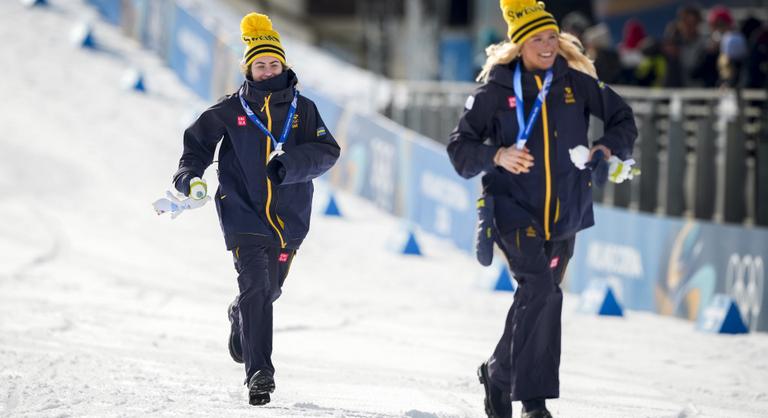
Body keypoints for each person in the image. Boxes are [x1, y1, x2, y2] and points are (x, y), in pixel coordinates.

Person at [446, 1, 637, 417]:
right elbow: (459, 150)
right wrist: (497, 155)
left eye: (552, 37)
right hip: (511, 209)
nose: (548, 45)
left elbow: (623, 118)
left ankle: (497, 374)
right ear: (519, 44)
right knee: (539, 288)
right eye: (537, 39)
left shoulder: (575, 83)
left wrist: (606, 147)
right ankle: (534, 402)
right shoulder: (494, 92)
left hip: (566, 212)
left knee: (539, 296)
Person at [169, 12, 340, 406]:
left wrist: (289, 165)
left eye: (273, 64)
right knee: (256, 287)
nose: (267, 71)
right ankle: (260, 374)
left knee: (269, 290)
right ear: (248, 69)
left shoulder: (304, 110)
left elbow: (327, 151)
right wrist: (188, 176)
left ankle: (240, 315)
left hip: (289, 219)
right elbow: (197, 145)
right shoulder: (232, 110)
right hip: (242, 211)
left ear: (283, 65)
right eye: (259, 65)